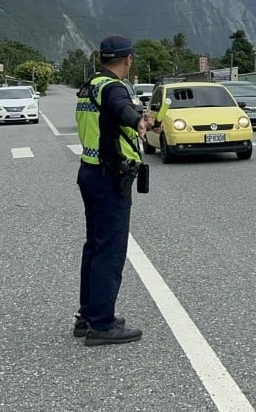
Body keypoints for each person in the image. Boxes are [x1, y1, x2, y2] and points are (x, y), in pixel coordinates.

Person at [74, 35, 153, 346]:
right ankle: (103, 325)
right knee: (110, 249)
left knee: (94, 245)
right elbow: (121, 109)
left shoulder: (90, 85)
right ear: (128, 60)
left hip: (90, 172)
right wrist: (138, 121)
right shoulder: (113, 88)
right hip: (109, 176)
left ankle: (88, 316)